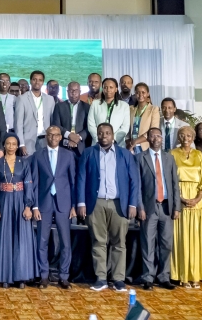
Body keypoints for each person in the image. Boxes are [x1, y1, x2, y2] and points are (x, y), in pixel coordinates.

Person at [77, 123, 140, 292]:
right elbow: (81, 178)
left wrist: (133, 204)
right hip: (95, 203)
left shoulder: (125, 154)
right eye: (100, 133)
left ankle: (118, 279)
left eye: (107, 133)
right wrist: (81, 203)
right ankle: (101, 278)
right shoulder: (89, 153)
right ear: (97, 135)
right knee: (98, 241)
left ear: (113, 135)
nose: (104, 136)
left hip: (119, 203)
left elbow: (134, 181)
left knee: (119, 242)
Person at [135, 127, 180, 291]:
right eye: (152, 136)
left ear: (162, 138)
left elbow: (175, 183)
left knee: (166, 244)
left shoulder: (169, 158)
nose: (156, 138)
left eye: (158, 136)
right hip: (149, 207)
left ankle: (164, 277)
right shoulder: (140, 158)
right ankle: (148, 277)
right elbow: (138, 185)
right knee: (148, 243)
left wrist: (177, 207)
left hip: (167, 207)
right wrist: (140, 207)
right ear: (147, 138)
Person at [170, 125, 202, 289]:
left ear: (193, 138)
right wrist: (180, 198)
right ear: (178, 137)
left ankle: (196, 276)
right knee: (182, 239)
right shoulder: (172, 154)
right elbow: (169, 179)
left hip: (197, 202)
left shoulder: (199, 155)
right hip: (179, 199)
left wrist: (197, 198)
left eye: (188, 135)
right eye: (182, 135)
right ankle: (183, 275)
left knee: (196, 239)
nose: (185, 138)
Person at [33, 126, 75, 289]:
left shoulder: (69, 155)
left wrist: (73, 205)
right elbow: (35, 183)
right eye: (50, 135)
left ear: (60, 137)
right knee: (42, 241)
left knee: (65, 242)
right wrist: (35, 206)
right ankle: (43, 275)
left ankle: (63, 276)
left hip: (64, 203)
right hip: (44, 202)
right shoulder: (37, 156)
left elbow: (73, 181)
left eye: (56, 135)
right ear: (46, 137)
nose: (53, 137)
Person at [15, 70, 55, 156]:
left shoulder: (50, 99)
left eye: (40, 80)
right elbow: (18, 124)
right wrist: (21, 143)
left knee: (44, 166)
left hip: (45, 139)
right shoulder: (22, 99)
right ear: (30, 81)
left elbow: (53, 122)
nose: (37, 82)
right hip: (27, 140)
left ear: (43, 82)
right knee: (28, 165)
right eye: (34, 79)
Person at [86, 78, 130, 149]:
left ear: (116, 89)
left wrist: (113, 140)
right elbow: (91, 125)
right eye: (105, 87)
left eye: (111, 87)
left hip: (117, 144)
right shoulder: (95, 103)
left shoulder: (124, 106)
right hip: (97, 144)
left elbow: (125, 127)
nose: (108, 90)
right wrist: (100, 140)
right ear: (102, 89)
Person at [51, 81, 89, 160]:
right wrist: (69, 135)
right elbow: (56, 125)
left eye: (76, 90)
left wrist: (77, 137)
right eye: (71, 90)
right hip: (63, 145)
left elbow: (89, 127)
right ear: (67, 92)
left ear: (80, 92)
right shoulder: (59, 106)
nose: (73, 93)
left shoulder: (87, 107)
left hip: (81, 146)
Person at [128, 83, 159, 154]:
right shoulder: (131, 109)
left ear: (148, 94)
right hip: (132, 146)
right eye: (137, 92)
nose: (140, 95)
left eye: (143, 92)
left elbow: (153, 130)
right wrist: (129, 142)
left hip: (145, 145)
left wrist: (136, 141)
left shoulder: (154, 109)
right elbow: (128, 128)